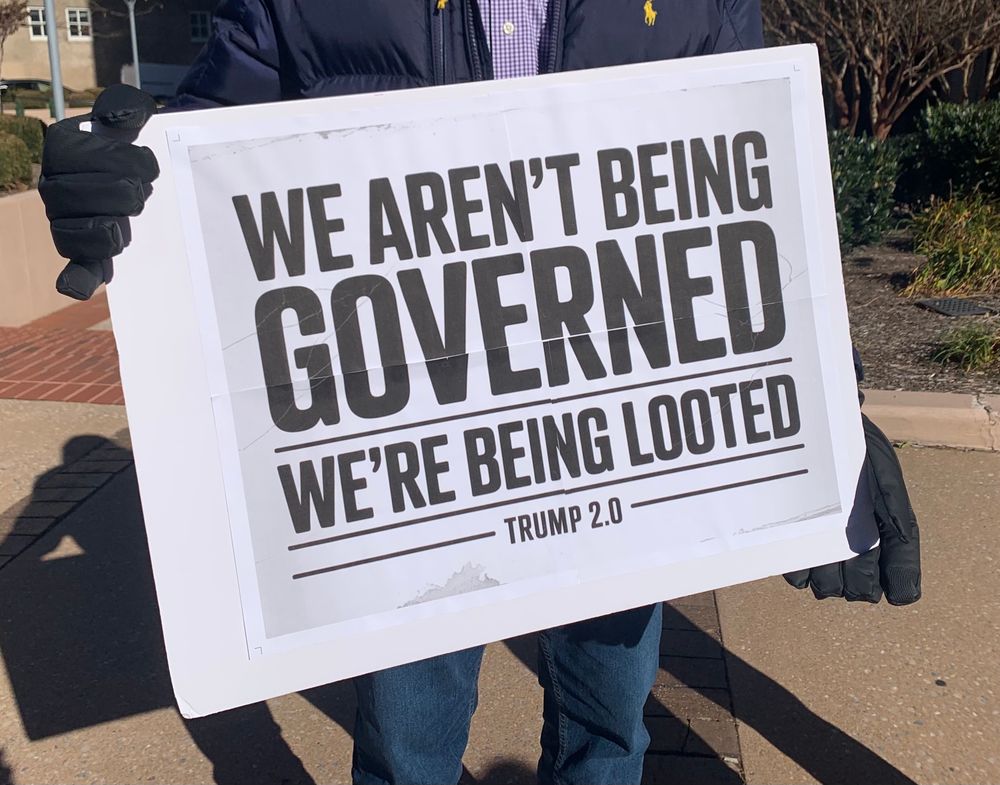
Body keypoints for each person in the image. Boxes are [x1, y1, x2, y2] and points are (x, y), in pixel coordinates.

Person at [36, 3, 920, 783]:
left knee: (610, 724)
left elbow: (748, 186)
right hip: (414, 445)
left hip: (615, 424)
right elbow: (206, 145)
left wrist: (828, 398)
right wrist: (122, 175)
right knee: (405, 738)